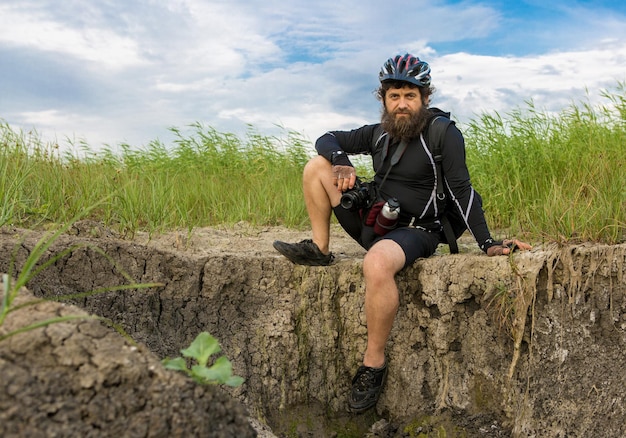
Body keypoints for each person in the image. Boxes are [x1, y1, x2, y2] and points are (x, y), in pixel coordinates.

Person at [273, 53, 532, 413]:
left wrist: (487, 242)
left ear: (425, 97)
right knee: (318, 166)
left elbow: (463, 189)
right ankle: (319, 248)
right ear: (384, 99)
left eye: (410, 95)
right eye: (394, 96)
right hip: (374, 221)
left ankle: (373, 363)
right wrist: (341, 159)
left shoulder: (443, 133)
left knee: (376, 264)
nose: (402, 104)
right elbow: (326, 138)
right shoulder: (379, 133)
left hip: (416, 232)